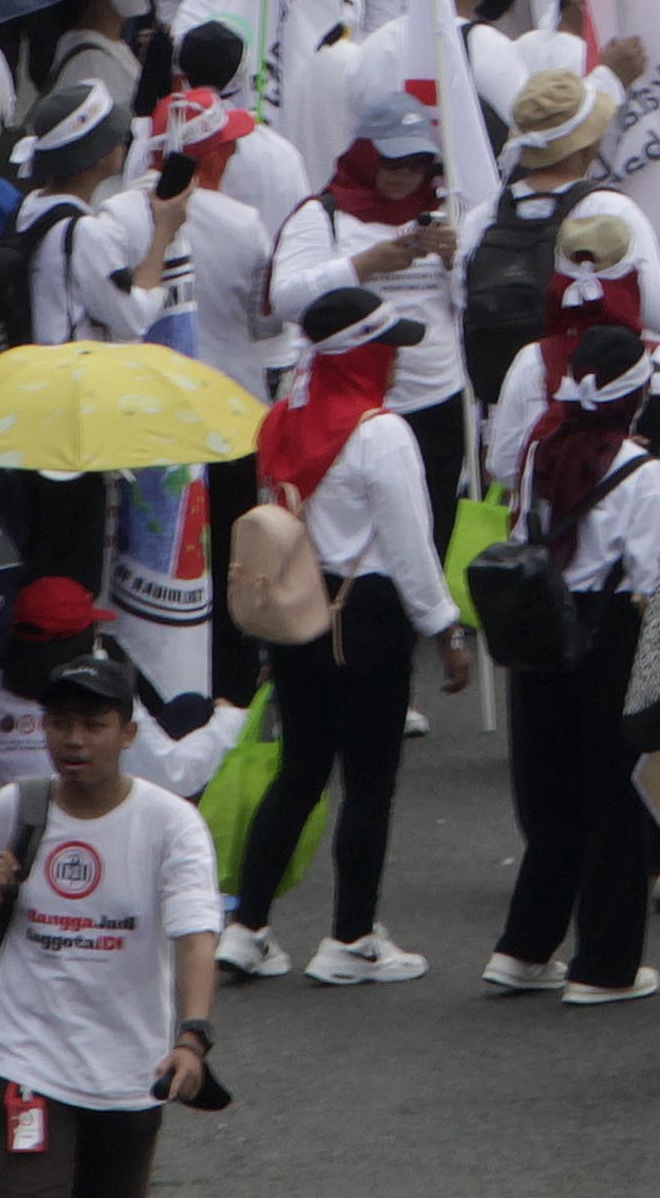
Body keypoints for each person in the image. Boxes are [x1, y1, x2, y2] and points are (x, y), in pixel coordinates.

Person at [214, 287, 464, 987]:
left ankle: (248, 926)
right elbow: (410, 544)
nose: (395, 363)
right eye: (388, 349)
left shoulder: (287, 417)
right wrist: (445, 628)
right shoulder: (379, 432)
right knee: (369, 783)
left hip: (298, 613)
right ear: (364, 353)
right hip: (367, 616)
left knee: (299, 773)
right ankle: (349, 936)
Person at [0, 631, 224, 1196]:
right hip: (26, 1059)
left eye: (93, 725)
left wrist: (193, 1036)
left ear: (127, 734)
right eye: (60, 724)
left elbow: (196, 934)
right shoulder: (15, 807)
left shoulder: (171, 825)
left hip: (130, 1068)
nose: (74, 741)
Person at [477, 324, 660, 1004]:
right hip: (608, 636)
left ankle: (525, 947)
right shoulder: (641, 471)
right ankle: (605, 965)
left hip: (540, 633)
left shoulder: (542, 452)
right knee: (616, 802)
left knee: (554, 799)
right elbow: (651, 577)